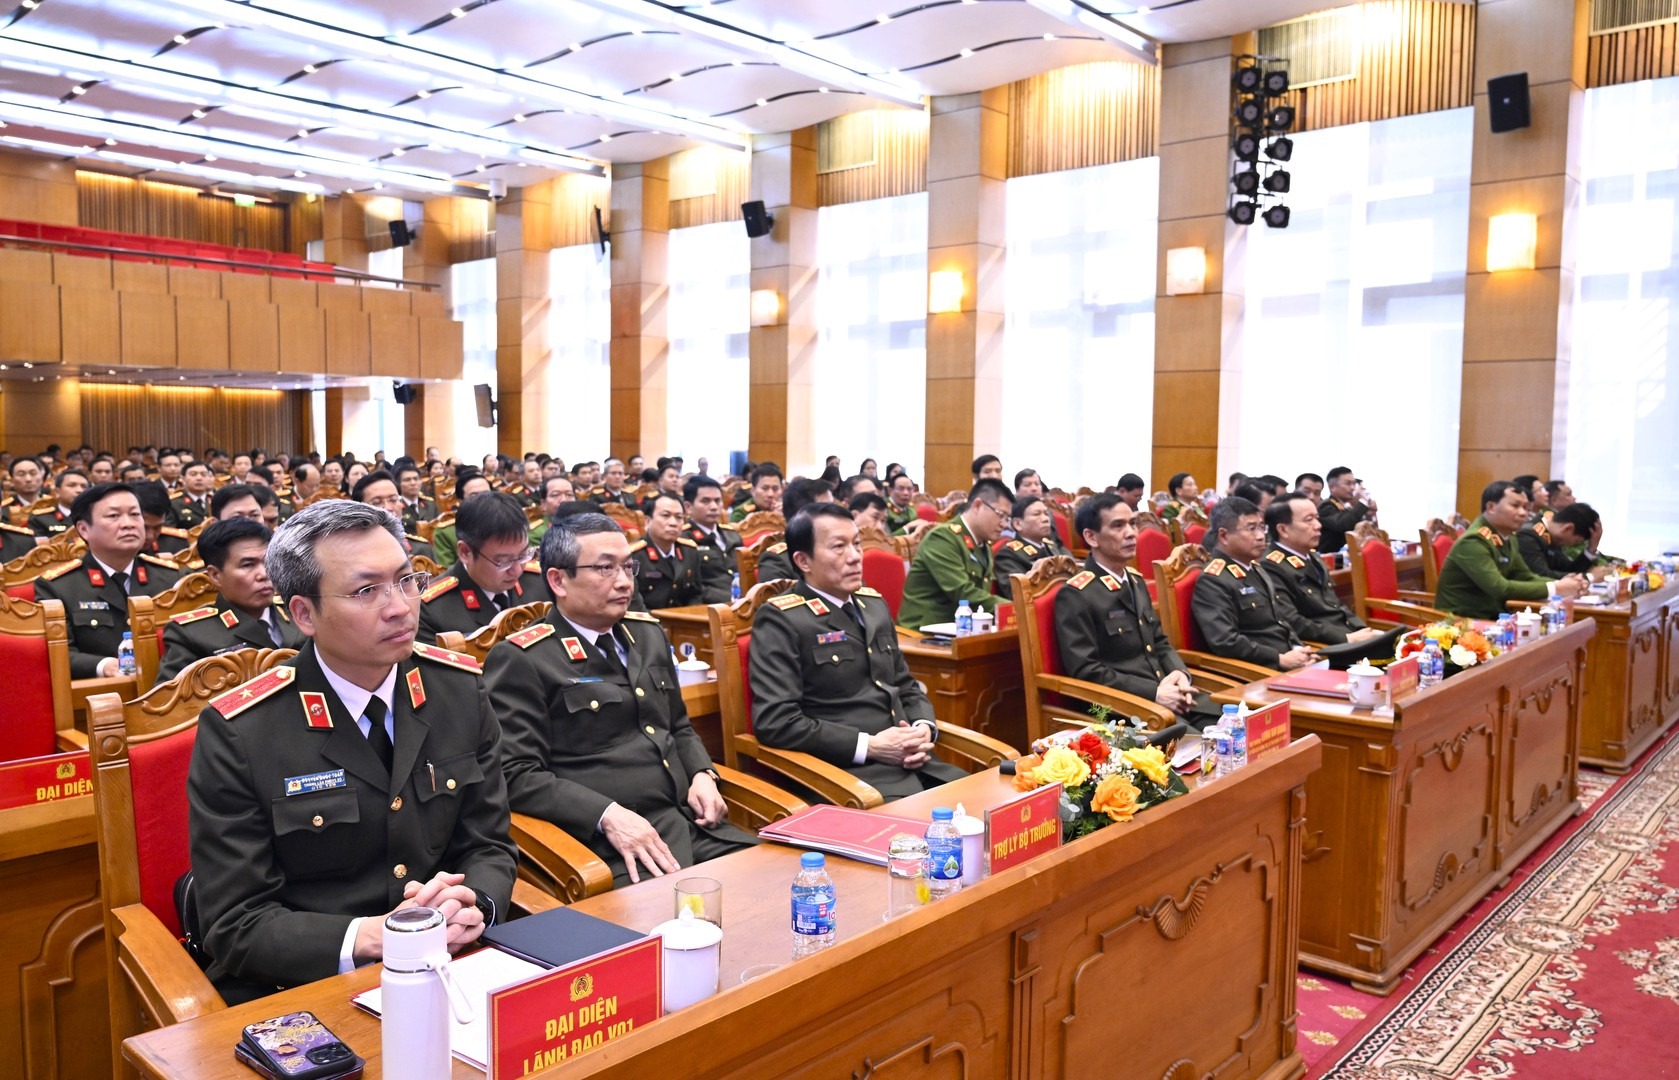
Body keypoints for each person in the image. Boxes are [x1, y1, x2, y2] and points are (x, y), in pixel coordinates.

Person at [186, 500, 516, 1003]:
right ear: (304, 613)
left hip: (449, 961)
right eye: (366, 591)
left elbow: (489, 844)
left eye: (406, 581)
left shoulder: (457, 690)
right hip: (307, 982)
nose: (400, 607)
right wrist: (369, 937)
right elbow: (235, 922)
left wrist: (475, 904)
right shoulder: (244, 730)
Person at [483, 513, 754, 887]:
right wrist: (605, 814)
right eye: (605, 568)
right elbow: (515, 773)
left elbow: (677, 726)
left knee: (779, 889)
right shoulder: (524, 657)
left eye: (628, 567)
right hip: (614, 848)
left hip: (694, 825)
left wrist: (702, 773)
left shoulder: (647, 634)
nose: (625, 581)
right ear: (558, 580)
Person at [749, 505, 964, 799]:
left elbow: (905, 684)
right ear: (803, 560)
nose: (854, 556)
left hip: (919, 765)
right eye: (839, 547)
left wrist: (923, 727)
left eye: (857, 544)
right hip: (851, 779)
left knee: (997, 804)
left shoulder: (873, 605)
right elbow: (776, 722)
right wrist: (870, 746)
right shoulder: (782, 618)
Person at [1054, 494, 1222, 729]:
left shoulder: (1135, 581)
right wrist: (1154, 693)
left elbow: (1159, 642)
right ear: (1091, 537)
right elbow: (1087, 670)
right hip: (1124, 706)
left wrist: (1179, 673)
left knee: (1236, 721)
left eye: (1132, 523)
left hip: (1167, 692)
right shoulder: (1077, 594)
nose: (1131, 533)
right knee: (1200, 741)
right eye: (1118, 526)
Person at [34, 483, 184, 678]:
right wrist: (103, 666)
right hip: (99, 691)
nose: (128, 524)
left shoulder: (170, 578)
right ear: (84, 529)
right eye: (114, 516)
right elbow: (56, 654)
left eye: (135, 514)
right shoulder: (58, 586)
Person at [156, 518, 306, 681]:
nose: (264, 574)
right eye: (248, 565)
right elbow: (170, 695)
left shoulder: (297, 611)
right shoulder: (191, 634)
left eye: (268, 562)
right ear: (215, 575)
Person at [1191, 497, 1318, 671]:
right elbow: (1225, 641)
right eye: (1251, 529)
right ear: (1224, 536)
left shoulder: (1256, 569)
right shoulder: (1214, 580)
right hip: (1259, 669)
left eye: (1261, 527)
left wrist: (1299, 649)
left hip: (1288, 660)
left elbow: (1279, 621)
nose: (1260, 536)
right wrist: (1279, 659)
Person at [1434, 481, 1586, 620]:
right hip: (1460, 622)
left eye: (1526, 507)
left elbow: (1524, 576)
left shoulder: (1508, 537)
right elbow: (1500, 588)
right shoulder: (1473, 541)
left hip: (1494, 617)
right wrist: (1555, 588)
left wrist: (1563, 583)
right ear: (1491, 507)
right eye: (1515, 506)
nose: (1523, 513)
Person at [1258, 494, 1393, 650]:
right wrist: (1345, 638)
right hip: (1322, 646)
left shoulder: (1312, 556)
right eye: (1309, 520)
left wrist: (1362, 629)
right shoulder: (1271, 566)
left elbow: (1335, 604)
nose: (1318, 525)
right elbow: (1292, 621)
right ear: (1283, 530)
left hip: (1345, 636)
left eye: (1317, 518)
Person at [418, 492, 547, 639]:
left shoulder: (540, 582)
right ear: (465, 552)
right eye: (504, 561)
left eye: (523, 555)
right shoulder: (431, 610)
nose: (517, 570)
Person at [897, 478, 1011, 629]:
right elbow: (963, 592)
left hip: (963, 629)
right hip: (925, 631)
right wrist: (1014, 609)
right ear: (978, 505)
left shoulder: (983, 545)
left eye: (1007, 518)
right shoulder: (942, 538)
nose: (1004, 524)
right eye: (1000, 514)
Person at [629, 493, 705, 610]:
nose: (673, 523)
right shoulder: (634, 555)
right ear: (648, 521)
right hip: (648, 619)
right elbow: (633, 604)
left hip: (684, 618)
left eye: (679, 517)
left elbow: (696, 595)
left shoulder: (690, 551)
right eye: (665, 515)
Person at [756, 477, 834, 584]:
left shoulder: (844, 550)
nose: (838, 515)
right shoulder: (778, 561)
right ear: (801, 517)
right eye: (828, 511)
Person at [994, 495, 1071, 597]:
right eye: (1037, 514)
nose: (1046, 519)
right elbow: (1017, 594)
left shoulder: (1051, 545)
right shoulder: (1008, 554)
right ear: (1017, 524)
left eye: (1046, 513)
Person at [352, 471, 436, 562]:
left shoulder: (422, 549)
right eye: (377, 502)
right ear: (360, 509)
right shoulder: (351, 554)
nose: (388, 508)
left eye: (393, 500)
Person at [1516, 501, 1610, 581]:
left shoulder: (1552, 535)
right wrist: (1589, 577)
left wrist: (1591, 549)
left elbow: (1568, 570)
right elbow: (1540, 575)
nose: (1571, 545)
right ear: (1568, 528)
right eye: (1577, 541)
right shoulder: (1528, 536)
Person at [683, 475, 740, 604]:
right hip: (709, 606)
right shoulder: (684, 540)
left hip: (741, 603)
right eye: (706, 501)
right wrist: (731, 599)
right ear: (688, 507)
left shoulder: (732, 535)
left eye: (717, 501)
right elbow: (691, 588)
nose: (714, 506)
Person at [429, 472, 493, 569]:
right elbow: (447, 571)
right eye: (474, 496)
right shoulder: (446, 532)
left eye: (487, 494)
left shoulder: (509, 523)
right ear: (460, 502)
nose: (483, 500)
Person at [1317, 466, 1375, 554]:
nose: (1352, 487)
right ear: (1332, 487)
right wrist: (1363, 502)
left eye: (1354, 484)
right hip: (1332, 557)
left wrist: (1370, 513)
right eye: (1348, 483)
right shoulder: (1326, 506)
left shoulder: (1348, 506)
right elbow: (1344, 524)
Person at [29, 467, 86, 540]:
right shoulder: (40, 519)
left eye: (84, 486)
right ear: (57, 492)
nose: (79, 490)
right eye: (72, 485)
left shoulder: (94, 517)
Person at [528, 474, 576, 546]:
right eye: (555, 495)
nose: (564, 500)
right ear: (543, 503)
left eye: (569, 494)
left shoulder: (584, 525)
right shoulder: (537, 532)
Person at [395, 464, 439, 533]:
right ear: (398, 484)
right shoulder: (395, 507)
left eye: (416, 479)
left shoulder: (431, 505)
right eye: (407, 480)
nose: (413, 483)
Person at [3, 454, 45, 524]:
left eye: (33, 473)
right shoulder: (4, 511)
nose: (28, 479)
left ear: (42, 478)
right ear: (12, 481)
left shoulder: (54, 505)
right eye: (21, 474)